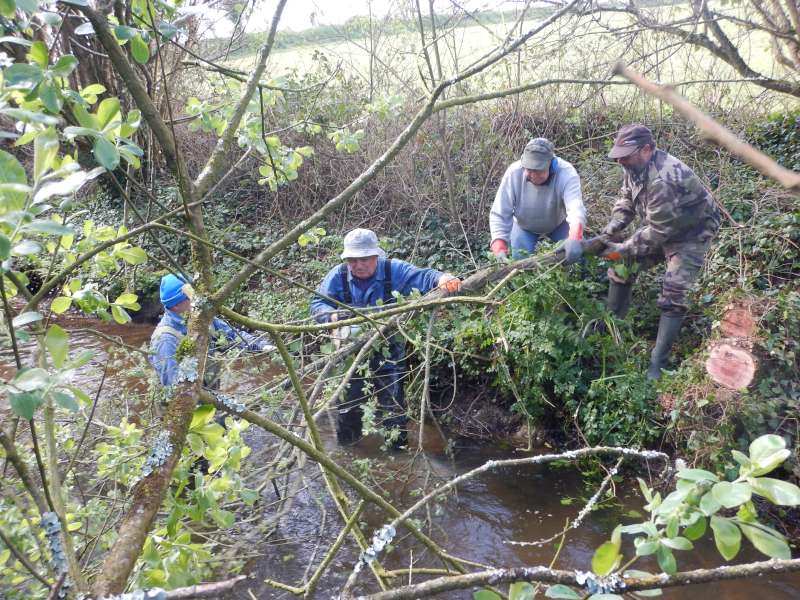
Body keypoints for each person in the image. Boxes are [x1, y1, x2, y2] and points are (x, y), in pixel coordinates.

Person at [311, 228, 462, 447]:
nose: (358, 265)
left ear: (376, 256)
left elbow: (425, 276)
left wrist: (444, 278)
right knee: (348, 410)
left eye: (363, 259)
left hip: (389, 353)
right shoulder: (338, 275)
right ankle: (349, 457)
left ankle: (397, 456)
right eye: (352, 260)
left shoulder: (394, 270)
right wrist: (332, 316)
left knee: (394, 411)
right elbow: (317, 304)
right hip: (351, 354)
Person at [600, 124, 720, 380]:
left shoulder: (663, 179)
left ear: (646, 149)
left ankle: (659, 363)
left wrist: (619, 249)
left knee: (674, 292)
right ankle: (611, 328)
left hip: (691, 233)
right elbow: (625, 197)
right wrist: (613, 226)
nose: (620, 160)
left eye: (625, 154)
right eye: (618, 154)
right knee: (622, 268)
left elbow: (658, 233)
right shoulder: (634, 165)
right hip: (662, 224)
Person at [150, 273, 271, 389]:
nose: (197, 299)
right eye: (191, 296)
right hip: (189, 404)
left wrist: (263, 346)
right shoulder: (165, 339)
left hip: (210, 395)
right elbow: (173, 387)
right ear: (176, 305)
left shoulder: (202, 318)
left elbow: (234, 337)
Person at [489, 137, 587, 262]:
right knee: (520, 265)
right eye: (528, 169)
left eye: (537, 170)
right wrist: (499, 246)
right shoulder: (514, 173)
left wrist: (574, 237)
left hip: (558, 224)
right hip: (524, 226)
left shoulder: (566, 173)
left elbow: (576, 209)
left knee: (577, 256)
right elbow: (500, 212)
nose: (531, 175)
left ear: (551, 165)